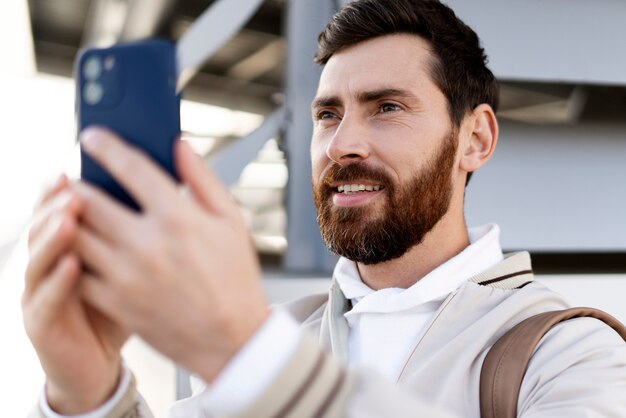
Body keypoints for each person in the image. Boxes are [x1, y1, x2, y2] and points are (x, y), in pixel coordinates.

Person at [23, 0, 626, 417]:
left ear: (477, 139)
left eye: (387, 107)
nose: (342, 144)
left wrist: (248, 358)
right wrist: (87, 389)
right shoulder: (280, 334)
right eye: (327, 114)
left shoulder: (570, 355)